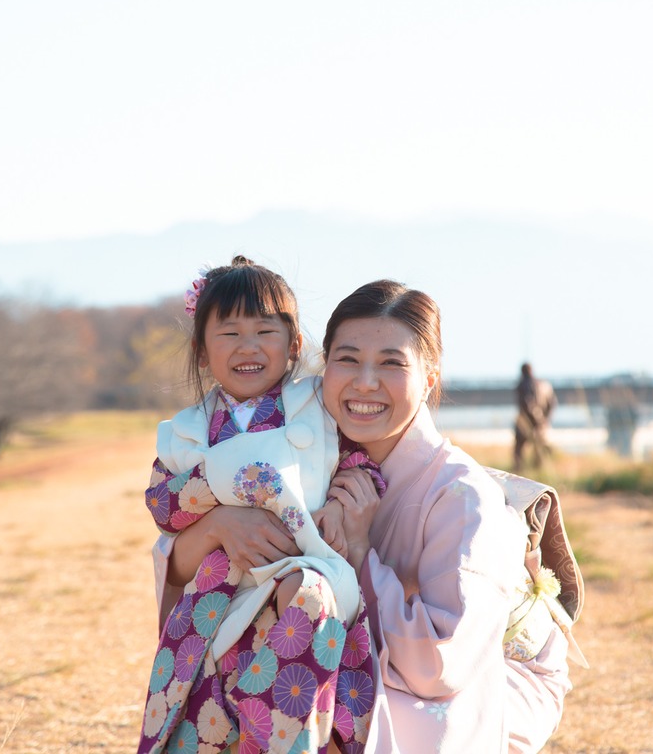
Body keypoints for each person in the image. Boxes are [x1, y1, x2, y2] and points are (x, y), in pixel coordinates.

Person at [137, 257, 381, 754]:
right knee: (204, 721)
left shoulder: (318, 408)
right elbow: (163, 505)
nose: (248, 347)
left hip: (299, 586)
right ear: (201, 351)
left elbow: (360, 461)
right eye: (228, 333)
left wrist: (339, 503)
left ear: (293, 346)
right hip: (215, 599)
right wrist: (218, 506)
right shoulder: (185, 431)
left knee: (306, 598)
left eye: (265, 331)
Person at [321, 281, 574, 753]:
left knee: (319, 711)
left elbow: (440, 665)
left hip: (491, 671)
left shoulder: (462, 496)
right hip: (384, 656)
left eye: (392, 363)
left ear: (430, 377)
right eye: (348, 359)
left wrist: (359, 552)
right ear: (324, 365)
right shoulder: (316, 458)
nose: (365, 382)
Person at [513, 362, 557, 473]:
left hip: (527, 421)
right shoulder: (544, 384)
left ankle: (520, 470)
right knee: (539, 448)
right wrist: (545, 419)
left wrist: (534, 419)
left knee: (519, 448)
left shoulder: (523, 384)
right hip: (540, 421)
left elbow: (527, 403)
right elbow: (552, 402)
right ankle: (538, 470)